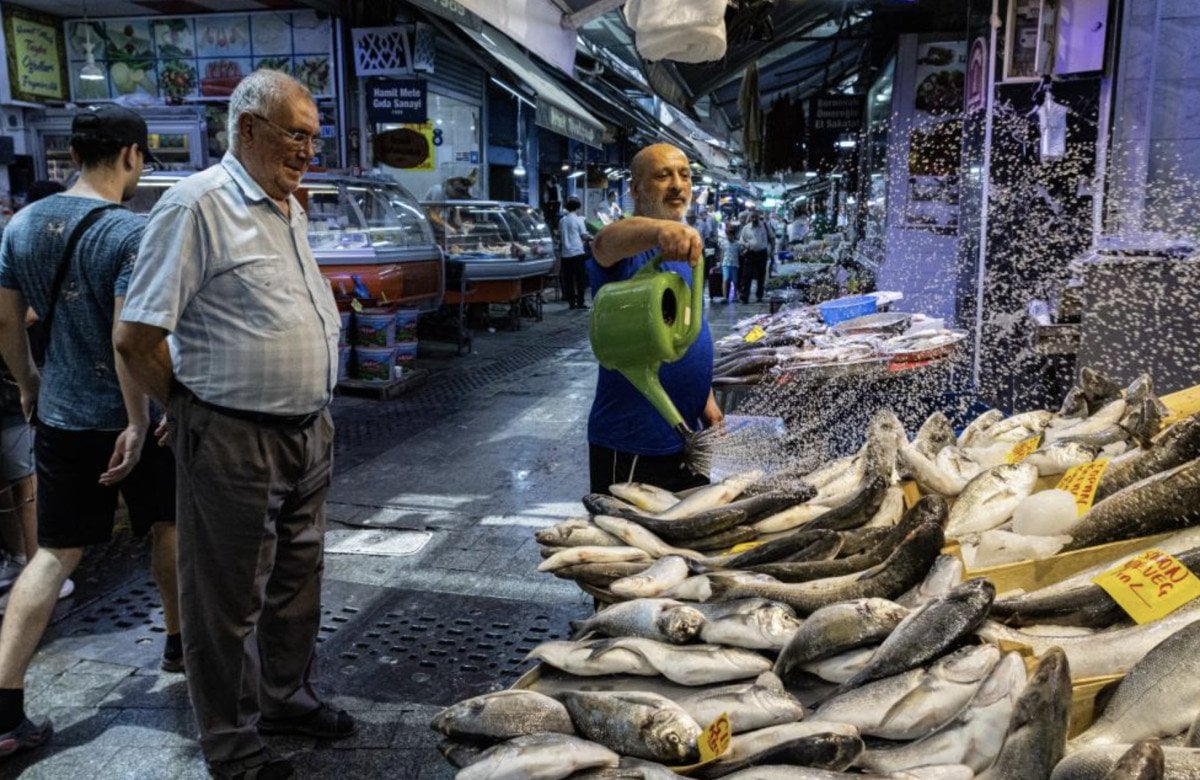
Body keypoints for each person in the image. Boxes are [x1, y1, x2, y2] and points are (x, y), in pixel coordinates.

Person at [115, 70, 352, 779]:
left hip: (308, 431)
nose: (308, 148)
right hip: (233, 436)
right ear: (248, 128)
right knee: (225, 601)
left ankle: (285, 697)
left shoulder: (286, 207)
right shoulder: (197, 206)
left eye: (313, 135)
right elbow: (136, 336)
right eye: (295, 133)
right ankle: (231, 742)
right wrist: (190, 411)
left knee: (296, 584)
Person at [0, 104, 182, 760]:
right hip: (133, 422)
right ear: (131, 154)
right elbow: (125, 337)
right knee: (168, 525)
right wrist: (140, 419)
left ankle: (5, 710)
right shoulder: (128, 232)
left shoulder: (20, 224)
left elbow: (5, 321)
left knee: (53, 552)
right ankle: (178, 645)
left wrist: (28, 383)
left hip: (60, 417)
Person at [586, 143, 723, 494]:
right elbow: (603, 243)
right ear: (635, 189)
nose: (677, 184)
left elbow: (685, 328)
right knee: (631, 544)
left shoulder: (683, 250)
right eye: (663, 176)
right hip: (633, 441)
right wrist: (659, 232)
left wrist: (705, 396)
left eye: (685, 175)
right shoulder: (629, 250)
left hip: (687, 434)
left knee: (685, 541)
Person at [559, 197, 590, 310]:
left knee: (569, 281)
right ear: (577, 208)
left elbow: (560, 234)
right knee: (580, 280)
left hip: (565, 254)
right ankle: (580, 303)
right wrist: (592, 238)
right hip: (577, 253)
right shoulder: (578, 220)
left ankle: (571, 304)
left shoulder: (562, 221)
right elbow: (584, 236)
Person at [738, 210, 772, 303]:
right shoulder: (746, 228)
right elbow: (741, 240)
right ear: (750, 218)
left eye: (755, 217)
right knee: (747, 275)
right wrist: (746, 245)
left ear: (758, 217)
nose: (754, 219)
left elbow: (772, 238)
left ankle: (759, 295)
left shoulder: (764, 226)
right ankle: (744, 296)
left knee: (761, 275)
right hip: (750, 253)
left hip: (762, 253)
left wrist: (771, 251)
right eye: (752, 217)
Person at [720, 223, 740, 304]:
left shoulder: (737, 244)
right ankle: (725, 296)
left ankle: (735, 295)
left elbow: (740, 252)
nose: (729, 237)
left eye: (731, 235)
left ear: (734, 235)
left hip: (735, 264)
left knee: (735, 281)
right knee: (725, 280)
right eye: (728, 235)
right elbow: (722, 253)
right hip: (726, 264)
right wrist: (721, 263)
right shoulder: (724, 243)